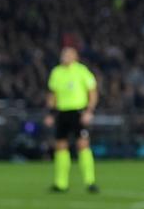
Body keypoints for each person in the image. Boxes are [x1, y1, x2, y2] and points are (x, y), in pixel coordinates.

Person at [44, 46, 98, 193]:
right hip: (62, 112)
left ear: (75, 57)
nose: (65, 56)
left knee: (83, 145)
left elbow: (92, 92)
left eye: (68, 54)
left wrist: (89, 111)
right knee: (60, 146)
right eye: (64, 54)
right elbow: (52, 95)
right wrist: (50, 113)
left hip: (78, 112)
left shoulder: (82, 71)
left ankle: (90, 181)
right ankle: (61, 184)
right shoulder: (56, 72)